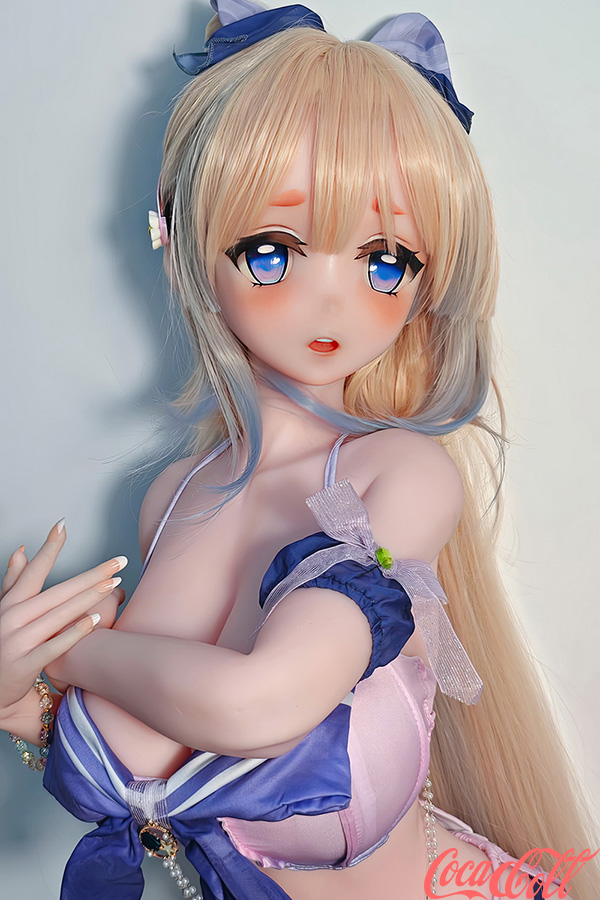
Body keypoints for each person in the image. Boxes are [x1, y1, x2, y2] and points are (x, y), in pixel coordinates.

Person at [0, 2, 598, 898]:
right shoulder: (175, 497)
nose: (331, 303)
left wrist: (68, 653)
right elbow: (162, 761)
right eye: (273, 251)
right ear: (182, 238)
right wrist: (24, 705)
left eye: (386, 261)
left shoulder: (398, 478)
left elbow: (262, 702)